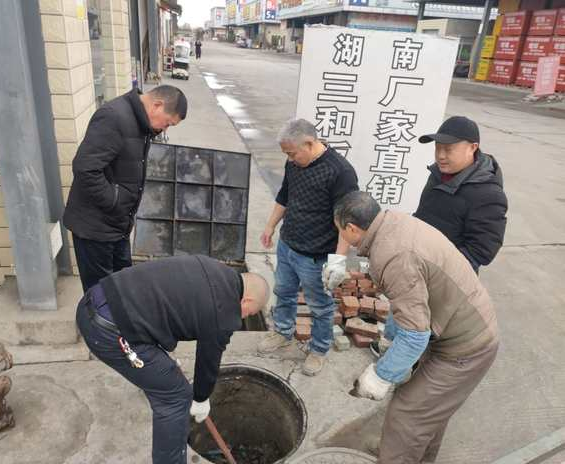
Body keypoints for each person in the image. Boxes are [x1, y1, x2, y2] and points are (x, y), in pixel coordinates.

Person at [331, 191, 499, 464]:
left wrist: (380, 375)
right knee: (429, 411)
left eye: (340, 230)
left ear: (352, 229)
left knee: (407, 414)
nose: (341, 237)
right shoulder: (392, 223)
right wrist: (390, 338)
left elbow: (414, 335)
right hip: (461, 324)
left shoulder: (393, 255)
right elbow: (410, 297)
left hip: (467, 347)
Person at [76, 254, 270, 463]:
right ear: (247, 300)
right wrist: (201, 398)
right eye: (251, 312)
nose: (246, 317)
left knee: (165, 376)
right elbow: (208, 360)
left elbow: (166, 301)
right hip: (108, 332)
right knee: (175, 397)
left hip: (94, 299)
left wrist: (158, 361)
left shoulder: (212, 267)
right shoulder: (225, 312)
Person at [257, 118, 358, 376]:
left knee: (320, 305)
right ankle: (283, 331)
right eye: (286, 154)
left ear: (310, 143)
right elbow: (284, 196)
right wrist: (270, 226)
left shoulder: (340, 172)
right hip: (288, 245)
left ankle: (319, 349)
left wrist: (338, 260)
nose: (289, 159)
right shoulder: (294, 163)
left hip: (315, 256)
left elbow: (347, 220)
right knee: (284, 291)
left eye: (292, 153)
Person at [63, 85, 187, 291]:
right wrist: (114, 201)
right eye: (167, 124)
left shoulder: (140, 124)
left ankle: (118, 321)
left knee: (123, 286)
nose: (164, 130)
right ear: (157, 105)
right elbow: (85, 169)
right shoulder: (114, 117)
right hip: (95, 228)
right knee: (100, 293)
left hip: (117, 225)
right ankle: (96, 323)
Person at [414, 116, 508, 273]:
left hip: (447, 279)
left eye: (448, 149)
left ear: (473, 147)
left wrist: (437, 270)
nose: (441, 156)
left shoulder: (489, 195)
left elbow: (481, 251)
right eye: (438, 148)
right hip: (418, 264)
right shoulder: (437, 174)